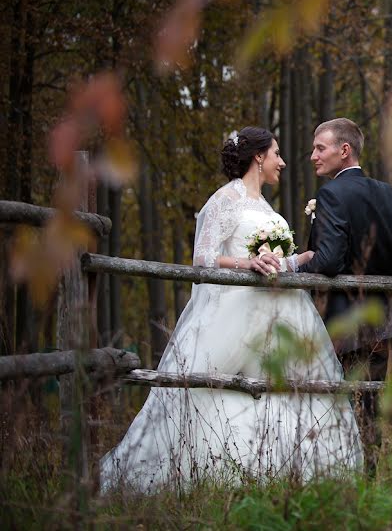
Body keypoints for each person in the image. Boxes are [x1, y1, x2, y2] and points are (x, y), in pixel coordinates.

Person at [99, 126, 362, 493]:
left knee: (288, 389)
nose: (282, 162)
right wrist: (248, 264)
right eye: (276, 154)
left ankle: (280, 472)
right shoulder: (225, 199)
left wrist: (301, 258)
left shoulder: (265, 207)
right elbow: (202, 258)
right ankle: (209, 472)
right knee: (216, 385)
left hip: (281, 312)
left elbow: (278, 261)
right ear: (258, 157)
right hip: (236, 312)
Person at [295, 117, 392, 473]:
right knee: (370, 406)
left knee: (340, 404)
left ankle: (345, 479)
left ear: (344, 150)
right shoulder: (389, 193)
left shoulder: (332, 194)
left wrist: (293, 270)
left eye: (319, 148)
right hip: (383, 326)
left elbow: (329, 260)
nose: (312, 156)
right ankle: (368, 476)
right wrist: (390, 301)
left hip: (343, 323)